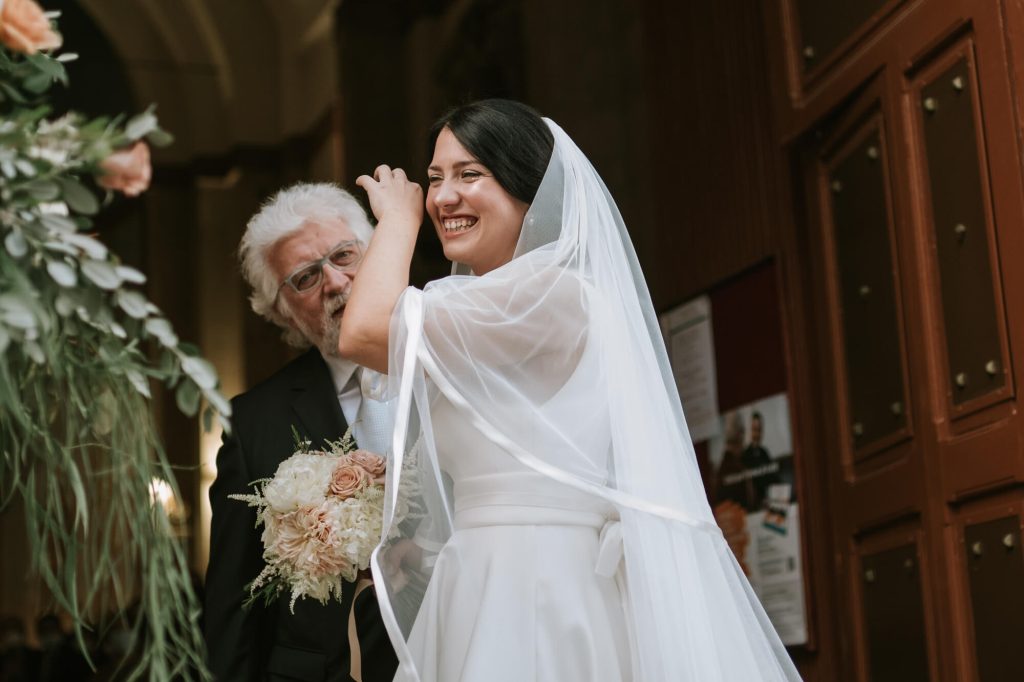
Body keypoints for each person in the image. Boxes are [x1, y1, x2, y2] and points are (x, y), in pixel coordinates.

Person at [339, 100, 801, 681]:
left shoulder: (553, 297)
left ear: (527, 188)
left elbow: (360, 332)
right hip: (479, 576)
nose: (440, 198)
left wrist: (397, 221)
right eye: (433, 180)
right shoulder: (489, 307)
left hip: (536, 584)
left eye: (468, 174)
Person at [205, 183, 397, 682]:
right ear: (281, 310)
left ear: (377, 254)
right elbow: (233, 607)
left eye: (344, 256)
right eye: (306, 277)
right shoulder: (252, 424)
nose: (334, 282)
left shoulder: (448, 368)